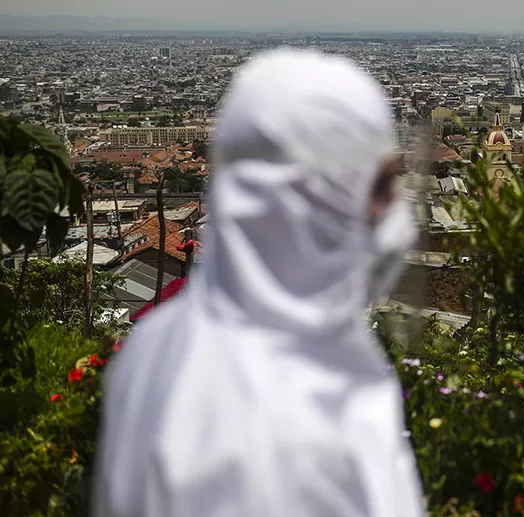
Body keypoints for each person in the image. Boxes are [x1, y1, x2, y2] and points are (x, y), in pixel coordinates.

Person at [92, 48, 425, 517]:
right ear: (310, 197)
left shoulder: (164, 342)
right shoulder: (278, 407)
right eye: (381, 186)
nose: (396, 211)